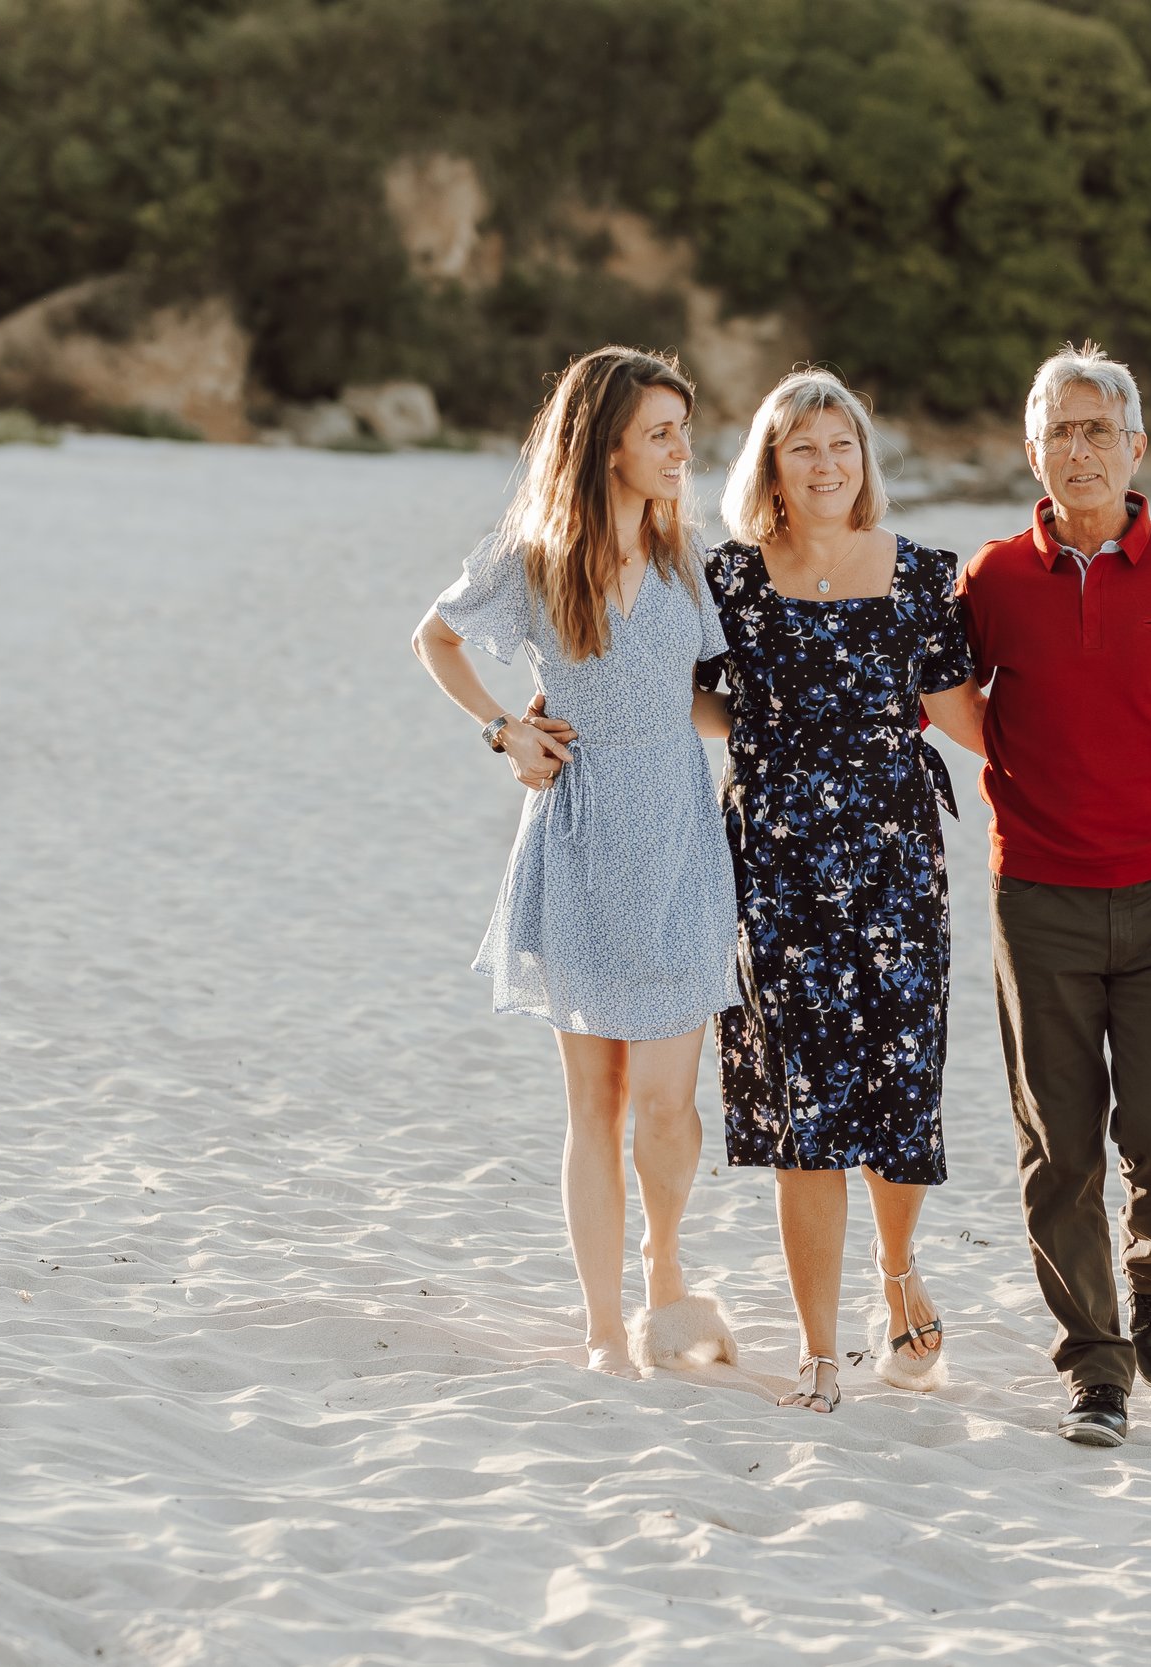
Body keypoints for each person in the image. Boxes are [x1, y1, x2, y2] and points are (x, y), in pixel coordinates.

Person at [958, 343, 1151, 1448]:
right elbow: (921, 688)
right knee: (1058, 1141)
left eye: (1099, 430)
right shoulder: (992, 581)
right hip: (1036, 893)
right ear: (1031, 449)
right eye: (1059, 431)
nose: (1079, 450)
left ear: (1137, 448)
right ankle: (1093, 1363)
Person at [409, 345, 742, 1380]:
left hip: (681, 828)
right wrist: (505, 730)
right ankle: (605, 1326)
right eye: (658, 432)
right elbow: (436, 635)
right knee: (592, 1101)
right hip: (583, 827)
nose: (681, 449)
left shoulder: (692, 554)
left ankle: (664, 1261)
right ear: (605, 447)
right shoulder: (537, 555)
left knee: (668, 1103)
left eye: (683, 429)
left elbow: (691, 694)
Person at [696, 369, 985, 1415]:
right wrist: (764, 740)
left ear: (866, 461)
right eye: (802, 447)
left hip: (897, 859)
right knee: (802, 1100)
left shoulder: (920, 577)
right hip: (772, 865)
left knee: (899, 1085)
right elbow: (667, 681)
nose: (825, 464)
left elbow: (974, 719)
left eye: (843, 445)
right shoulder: (726, 580)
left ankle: (898, 1272)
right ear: (770, 464)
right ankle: (818, 1348)